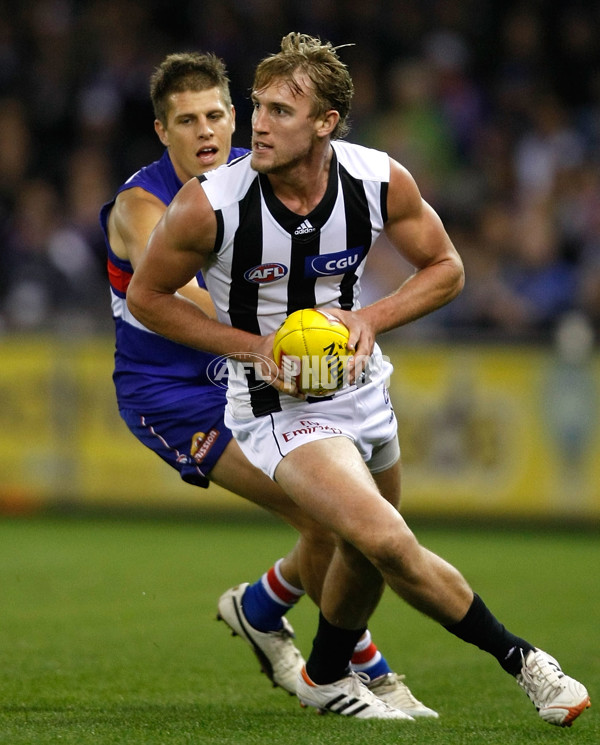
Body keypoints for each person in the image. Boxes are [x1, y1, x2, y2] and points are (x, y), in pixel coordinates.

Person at [127, 33, 592, 726]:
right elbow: (147, 297)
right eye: (257, 106)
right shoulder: (210, 204)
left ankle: (320, 672)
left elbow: (447, 267)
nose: (258, 123)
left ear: (326, 123)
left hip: (362, 389)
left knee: (363, 555)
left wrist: (371, 316)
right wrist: (253, 346)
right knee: (387, 538)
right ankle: (526, 661)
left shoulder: (377, 179)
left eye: (282, 110)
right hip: (277, 408)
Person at [99, 51, 436, 717]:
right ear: (162, 132)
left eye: (217, 114)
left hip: (249, 377)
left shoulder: (257, 181)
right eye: (187, 120)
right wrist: (283, 334)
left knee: (337, 516)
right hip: (171, 391)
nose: (207, 132)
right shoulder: (145, 205)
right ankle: (361, 668)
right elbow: (181, 297)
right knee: (325, 517)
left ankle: (261, 607)